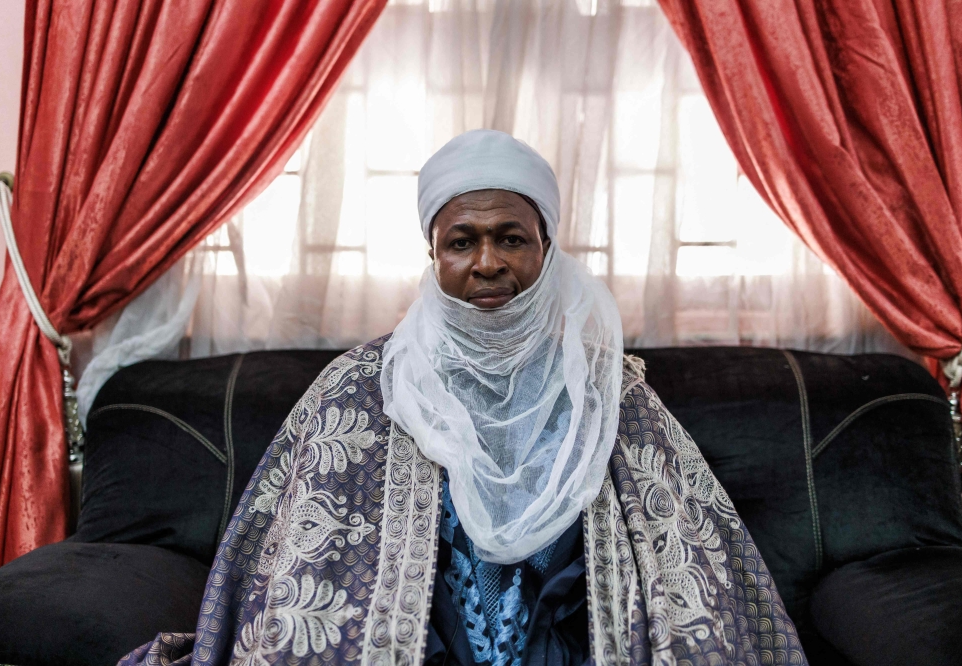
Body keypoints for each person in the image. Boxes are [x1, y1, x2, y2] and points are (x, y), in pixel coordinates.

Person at [120, 130, 806, 666]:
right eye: (462, 241)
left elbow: (691, 561)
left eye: (512, 238)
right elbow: (292, 566)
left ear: (547, 250)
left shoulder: (609, 391)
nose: (487, 263)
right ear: (433, 255)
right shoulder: (362, 387)